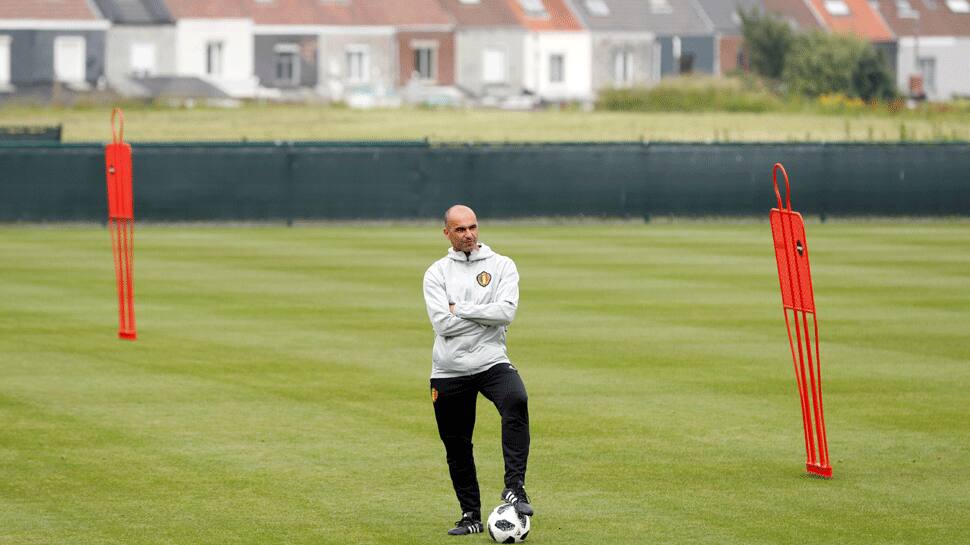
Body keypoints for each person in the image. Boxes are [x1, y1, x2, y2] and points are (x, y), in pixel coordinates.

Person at [423, 204, 533, 536]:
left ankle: (514, 486)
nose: (468, 234)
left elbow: (506, 313)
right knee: (457, 444)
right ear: (447, 233)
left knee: (516, 399)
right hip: (448, 369)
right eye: (460, 229)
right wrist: (484, 317)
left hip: (491, 360)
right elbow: (441, 322)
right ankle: (470, 515)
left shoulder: (502, 265)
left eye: (473, 227)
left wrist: (462, 310)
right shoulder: (436, 273)